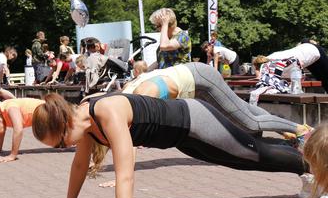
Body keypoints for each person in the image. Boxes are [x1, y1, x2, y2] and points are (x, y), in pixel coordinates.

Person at [33, 92, 317, 198]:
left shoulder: (105, 112)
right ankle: (308, 166)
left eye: (59, 142)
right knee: (243, 160)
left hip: (193, 120)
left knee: (252, 153)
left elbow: (125, 174)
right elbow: (80, 165)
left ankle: (313, 164)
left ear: (65, 122)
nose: (62, 148)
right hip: (182, 137)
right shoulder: (83, 123)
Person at [121, 62, 307, 136]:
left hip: (202, 78)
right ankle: (284, 131)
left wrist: (123, 173)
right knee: (241, 108)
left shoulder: (144, 93)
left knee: (248, 124)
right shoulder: (126, 92)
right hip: (196, 83)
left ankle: (301, 130)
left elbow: (131, 144)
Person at [0, 98, 44, 163]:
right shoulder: (0, 114)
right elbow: (1, 130)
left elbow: (18, 130)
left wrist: (12, 155)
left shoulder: (10, 109)